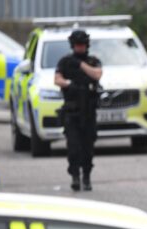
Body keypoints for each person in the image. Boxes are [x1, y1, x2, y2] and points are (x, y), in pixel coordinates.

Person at [55, 30, 102, 191]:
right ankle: (75, 176)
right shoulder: (65, 62)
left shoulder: (92, 61)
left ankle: (87, 177)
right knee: (73, 147)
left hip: (88, 113)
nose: (79, 47)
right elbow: (57, 79)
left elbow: (97, 75)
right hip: (72, 112)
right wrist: (69, 84)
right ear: (72, 45)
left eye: (82, 44)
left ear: (86, 45)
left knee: (87, 147)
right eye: (77, 45)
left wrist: (80, 64)